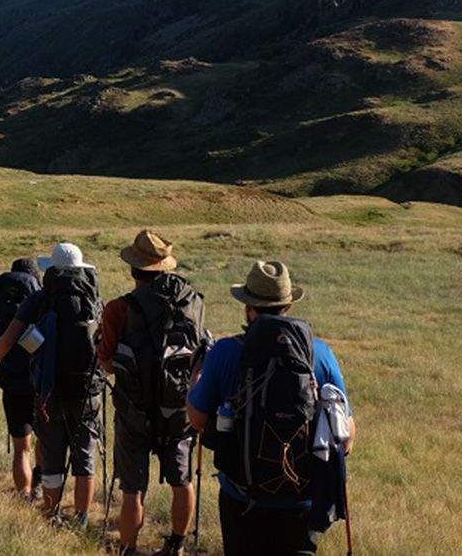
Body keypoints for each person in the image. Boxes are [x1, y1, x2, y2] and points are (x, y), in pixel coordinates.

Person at [187, 261, 357, 556]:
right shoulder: (321, 354)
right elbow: (347, 439)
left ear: (248, 308)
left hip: (241, 497)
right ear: (288, 306)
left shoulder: (224, 352)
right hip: (302, 500)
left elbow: (197, 420)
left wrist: (194, 381)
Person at [98, 230, 208, 556]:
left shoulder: (119, 309)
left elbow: (107, 363)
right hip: (180, 409)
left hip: (134, 410)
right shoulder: (193, 302)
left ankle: (129, 549)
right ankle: (176, 545)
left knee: (132, 488)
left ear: (134, 270)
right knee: (182, 480)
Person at [0, 243, 103, 525]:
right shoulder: (94, 299)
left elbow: (9, 338)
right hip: (87, 391)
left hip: (48, 390)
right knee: (85, 458)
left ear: (51, 269)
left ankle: (52, 516)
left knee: (51, 457)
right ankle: (82, 517)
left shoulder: (39, 299)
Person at [0, 257, 43, 501]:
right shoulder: (40, 301)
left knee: (20, 447)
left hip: (12, 379)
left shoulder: (2, 302)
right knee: (43, 439)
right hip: (38, 379)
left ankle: (23, 494)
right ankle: (37, 483)